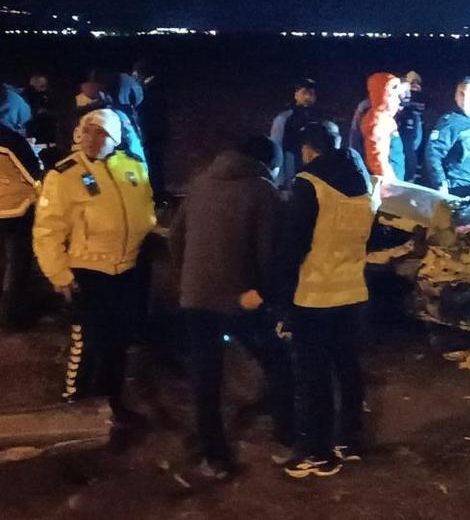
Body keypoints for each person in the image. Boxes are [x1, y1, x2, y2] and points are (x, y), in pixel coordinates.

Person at [169, 135, 294, 479]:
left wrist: (187, 278)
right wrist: (265, 293)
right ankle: (286, 438)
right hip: (241, 297)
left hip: (196, 296)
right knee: (277, 361)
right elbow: (270, 252)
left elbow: (175, 237)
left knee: (206, 375)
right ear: (267, 163)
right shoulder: (262, 191)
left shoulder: (199, 182)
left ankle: (214, 457)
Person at [32, 109, 155, 423]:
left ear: (114, 137)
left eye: (100, 132)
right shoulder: (65, 175)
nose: (90, 138)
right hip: (87, 273)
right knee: (87, 342)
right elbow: (47, 230)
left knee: (118, 341)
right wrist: (59, 274)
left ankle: (111, 404)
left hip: (126, 270)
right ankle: (75, 406)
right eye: (86, 130)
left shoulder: (132, 166)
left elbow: (145, 209)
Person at [281, 121, 377, 478]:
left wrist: (280, 293)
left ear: (308, 150)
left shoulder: (309, 184)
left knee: (313, 376)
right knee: (348, 368)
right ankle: (349, 440)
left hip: (314, 295)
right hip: (353, 291)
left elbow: (293, 244)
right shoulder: (363, 183)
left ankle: (317, 452)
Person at [0, 114, 42, 328]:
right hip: (16, 209)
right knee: (16, 263)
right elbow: (31, 174)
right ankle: (11, 315)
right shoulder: (9, 139)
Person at [270, 78, 321, 191]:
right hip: (291, 169)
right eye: (304, 93)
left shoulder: (318, 118)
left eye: (311, 93)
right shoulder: (284, 118)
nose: (308, 97)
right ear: (296, 95)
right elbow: (276, 147)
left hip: (314, 172)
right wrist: (279, 180)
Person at [133, 59, 170, 198]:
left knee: (153, 164)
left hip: (151, 132)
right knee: (155, 163)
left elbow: (147, 112)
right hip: (155, 131)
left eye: (136, 72)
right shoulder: (154, 87)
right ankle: (156, 192)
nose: (134, 76)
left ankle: (156, 193)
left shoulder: (150, 90)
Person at [361, 72, 405, 181]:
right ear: (385, 97)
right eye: (395, 96)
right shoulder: (378, 121)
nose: (399, 101)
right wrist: (391, 183)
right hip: (387, 183)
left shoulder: (385, 119)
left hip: (393, 179)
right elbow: (377, 159)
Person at [397, 71, 426, 182]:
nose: (409, 95)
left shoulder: (421, 113)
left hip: (413, 165)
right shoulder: (397, 113)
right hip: (400, 166)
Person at [23, 74, 58, 148]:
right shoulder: (26, 99)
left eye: (45, 86)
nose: (44, 89)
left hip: (47, 136)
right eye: (41, 86)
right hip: (34, 135)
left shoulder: (47, 97)